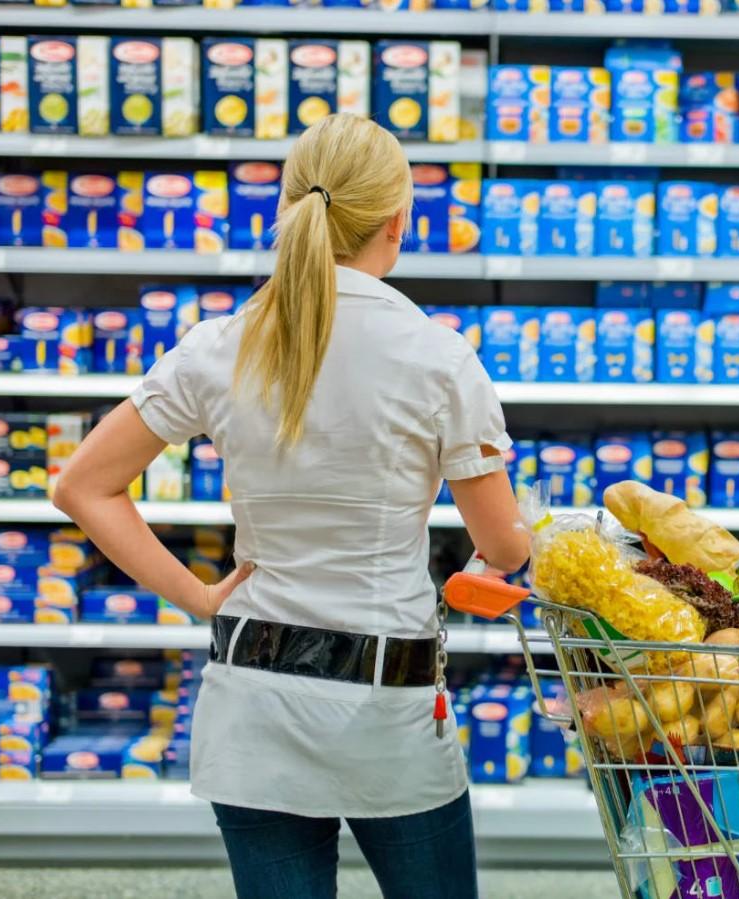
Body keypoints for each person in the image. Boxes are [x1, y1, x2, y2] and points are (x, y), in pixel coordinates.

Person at [52, 113, 531, 899]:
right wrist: (518, 547)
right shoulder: (439, 358)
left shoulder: (219, 345)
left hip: (253, 705)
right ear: (395, 223)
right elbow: (502, 547)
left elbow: (82, 484)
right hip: (389, 709)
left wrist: (199, 595)